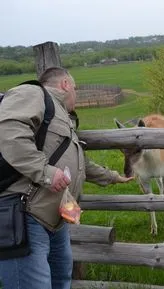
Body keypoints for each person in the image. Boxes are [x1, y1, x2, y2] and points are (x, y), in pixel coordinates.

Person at [0, 67, 133, 289]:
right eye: (76, 89)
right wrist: (47, 172)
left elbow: (80, 163)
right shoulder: (33, 93)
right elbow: (10, 134)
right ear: (65, 85)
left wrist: (112, 177)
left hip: (54, 221)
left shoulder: (62, 117)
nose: (77, 96)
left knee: (61, 281)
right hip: (25, 215)